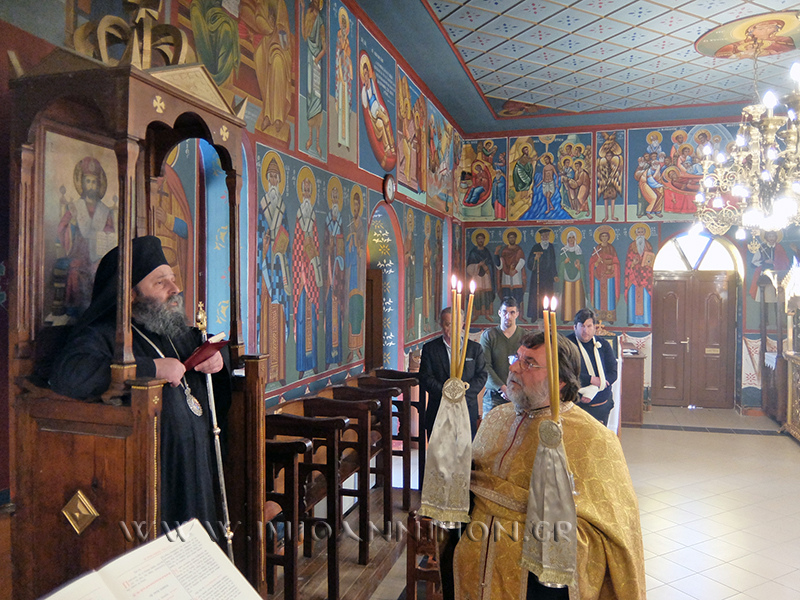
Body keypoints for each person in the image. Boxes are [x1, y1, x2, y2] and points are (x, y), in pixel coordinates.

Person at [50, 236, 232, 527]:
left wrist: (217, 360)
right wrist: (152, 368)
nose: (175, 289)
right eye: (161, 283)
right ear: (130, 294)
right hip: (152, 478)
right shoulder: (105, 335)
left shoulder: (171, 329)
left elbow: (208, 346)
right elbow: (70, 374)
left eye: (173, 280)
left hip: (194, 465)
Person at [452, 331, 645, 599]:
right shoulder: (496, 418)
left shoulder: (594, 439)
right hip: (474, 562)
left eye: (529, 363)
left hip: (536, 582)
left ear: (559, 380)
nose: (514, 368)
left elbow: (616, 532)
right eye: (517, 358)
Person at [419, 308, 487, 439]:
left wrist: (461, 395)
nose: (452, 328)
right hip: (439, 408)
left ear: (462, 324)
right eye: (448, 324)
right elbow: (425, 377)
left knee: (465, 449)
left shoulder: (474, 349)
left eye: (456, 324)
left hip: (467, 407)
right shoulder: (430, 348)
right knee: (438, 450)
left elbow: (481, 375)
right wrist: (448, 394)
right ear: (441, 324)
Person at [566, 308, 618, 425]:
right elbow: (565, 372)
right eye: (582, 326)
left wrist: (593, 389)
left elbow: (613, 372)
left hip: (601, 404)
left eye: (589, 326)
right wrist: (590, 380)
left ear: (595, 327)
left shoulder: (603, 344)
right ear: (575, 327)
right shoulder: (566, 344)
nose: (586, 330)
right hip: (576, 403)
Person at [479, 297, 525, 416]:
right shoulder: (489, 336)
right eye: (505, 312)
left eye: (512, 312)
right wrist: (502, 388)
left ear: (517, 314)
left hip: (520, 394)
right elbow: (485, 366)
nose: (508, 316)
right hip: (493, 396)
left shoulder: (525, 336)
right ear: (499, 313)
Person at [525, 227, 557, 322]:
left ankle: (548, 315)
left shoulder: (551, 247)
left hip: (548, 277)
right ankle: (535, 314)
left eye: (547, 235)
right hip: (537, 276)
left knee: (548, 294)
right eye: (544, 236)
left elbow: (553, 262)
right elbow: (529, 262)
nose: (545, 237)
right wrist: (535, 258)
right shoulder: (536, 247)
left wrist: (555, 275)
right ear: (541, 237)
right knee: (536, 295)